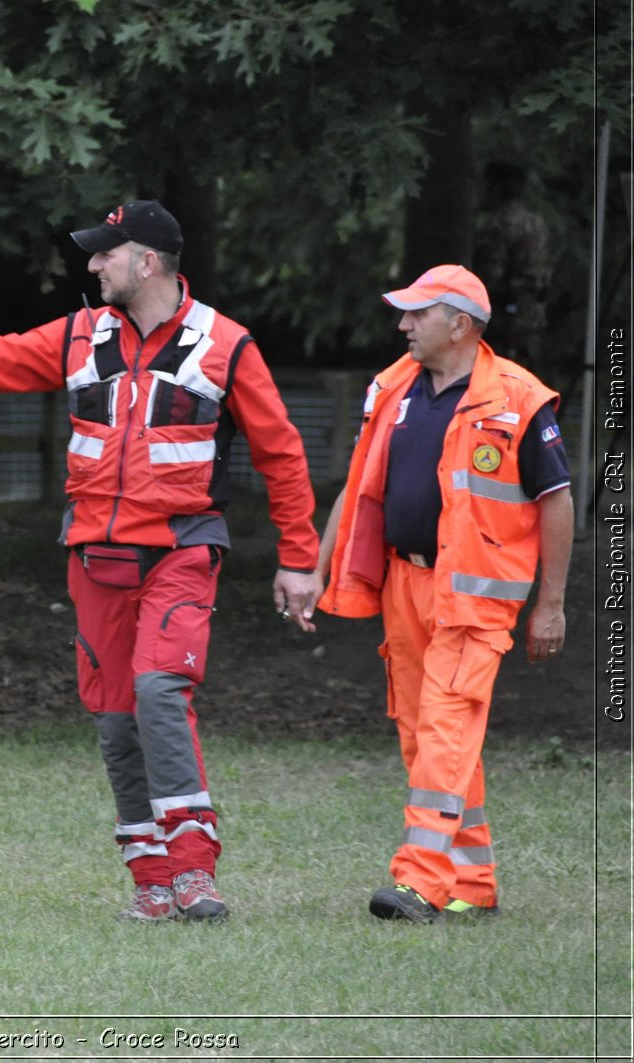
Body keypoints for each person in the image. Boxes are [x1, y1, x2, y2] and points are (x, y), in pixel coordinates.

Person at [0, 200, 320, 923]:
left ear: (145, 261)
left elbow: (282, 452)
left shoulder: (226, 344)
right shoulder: (79, 336)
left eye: (104, 253)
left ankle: (194, 870)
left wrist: (299, 558)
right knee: (116, 720)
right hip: (95, 555)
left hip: (183, 548)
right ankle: (151, 879)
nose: (91, 265)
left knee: (158, 690)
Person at [306, 264, 572, 922]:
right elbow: (358, 479)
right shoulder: (394, 388)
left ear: (459, 324)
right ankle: (473, 879)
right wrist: (318, 566)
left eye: (416, 314)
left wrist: (552, 603)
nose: (402, 325)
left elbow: (557, 499)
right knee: (425, 734)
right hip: (405, 584)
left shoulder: (519, 398)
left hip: (476, 601)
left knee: (447, 730)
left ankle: (420, 880)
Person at [473, 163, 554, 385]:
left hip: (505, 319)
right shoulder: (537, 223)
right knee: (529, 381)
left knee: (502, 381)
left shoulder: (498, 225)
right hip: (533, 315)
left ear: (495, 188)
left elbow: (488, 278)